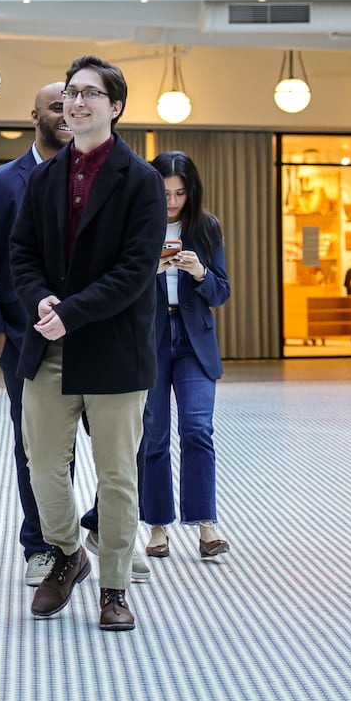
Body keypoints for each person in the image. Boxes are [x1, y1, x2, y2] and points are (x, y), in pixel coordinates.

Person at [9, 55, 165, 632]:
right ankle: (68, 552)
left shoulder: (142, 180)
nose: (76, 102)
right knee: (43, 464)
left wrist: (70, 312)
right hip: (48, 344)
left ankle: (115, 586)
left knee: (117, 474)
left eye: (91, 94)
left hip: (115, 349)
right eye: (72, 93)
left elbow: (134, 270)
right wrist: (41, 302)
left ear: (115, 107)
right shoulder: (43, 177)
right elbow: (20, 254)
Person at [0, 81, 73, 587]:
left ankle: (94, 530)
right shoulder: (1, 184)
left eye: (74, 105)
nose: (67, 114)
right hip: (26, 341)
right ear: (34, 115)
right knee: (34, 447)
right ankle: (41, 545)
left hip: (96, 336)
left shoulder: (106, 180)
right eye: (56, 107)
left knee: (118, 444)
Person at [139, 151, 231, 562]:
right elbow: (119, 288)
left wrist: (199, 273)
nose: (172, 201)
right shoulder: (137, 223)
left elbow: (221, 292)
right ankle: (158, 526)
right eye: (165, 192)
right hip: (150, 340)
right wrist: (151, 273)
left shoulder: (205, 227)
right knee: (153, 436)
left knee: (197, 430)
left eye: (180, 193)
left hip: (194, 340)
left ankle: (205, 524)